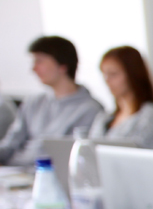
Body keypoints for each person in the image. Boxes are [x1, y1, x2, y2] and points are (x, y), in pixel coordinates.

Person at [0, 36, 102, 166]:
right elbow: (10, 145)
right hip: (12, 173)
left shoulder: (90, 109)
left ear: (62, 65)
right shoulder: (33, 102)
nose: (34, 69)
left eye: (39, 61)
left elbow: (73, 159)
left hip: (45, 176)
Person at [90, 46, 153, 149]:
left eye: (113, 74)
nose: (107, 80)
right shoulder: (103, 118)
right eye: (104, 74)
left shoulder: (150, 118)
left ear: (132, 74)